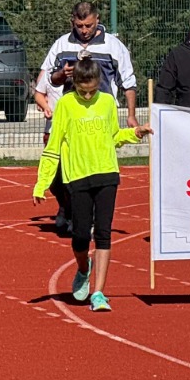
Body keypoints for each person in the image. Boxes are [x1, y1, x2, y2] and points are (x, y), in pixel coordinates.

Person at [32, 58, 150, 312]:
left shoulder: (107, 102)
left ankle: (98, 293)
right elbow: (53, 147)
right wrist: (42, 183)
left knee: (104, 234)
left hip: (107, 173)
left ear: (100, 84)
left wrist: (136, 132)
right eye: (82, 90)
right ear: (75, 84)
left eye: (92, 89)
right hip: (77, 177)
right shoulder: (65, 104)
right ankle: (83, 267)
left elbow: (114, 136)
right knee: (80, 236)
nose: (87, 94)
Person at [33, 1, 140, 235]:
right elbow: (48, 80)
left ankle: (85, 219)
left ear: (97, 20)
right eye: (80, 25)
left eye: (88, 25)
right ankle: (67, 208)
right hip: (69, 116)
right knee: (59, 174)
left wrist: (131, 115)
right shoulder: (61, 44)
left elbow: (128, 83)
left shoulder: (114, 46)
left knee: (92, 171)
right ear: (73, 21)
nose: (84, 30)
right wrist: (62, 74)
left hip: (99, 118)